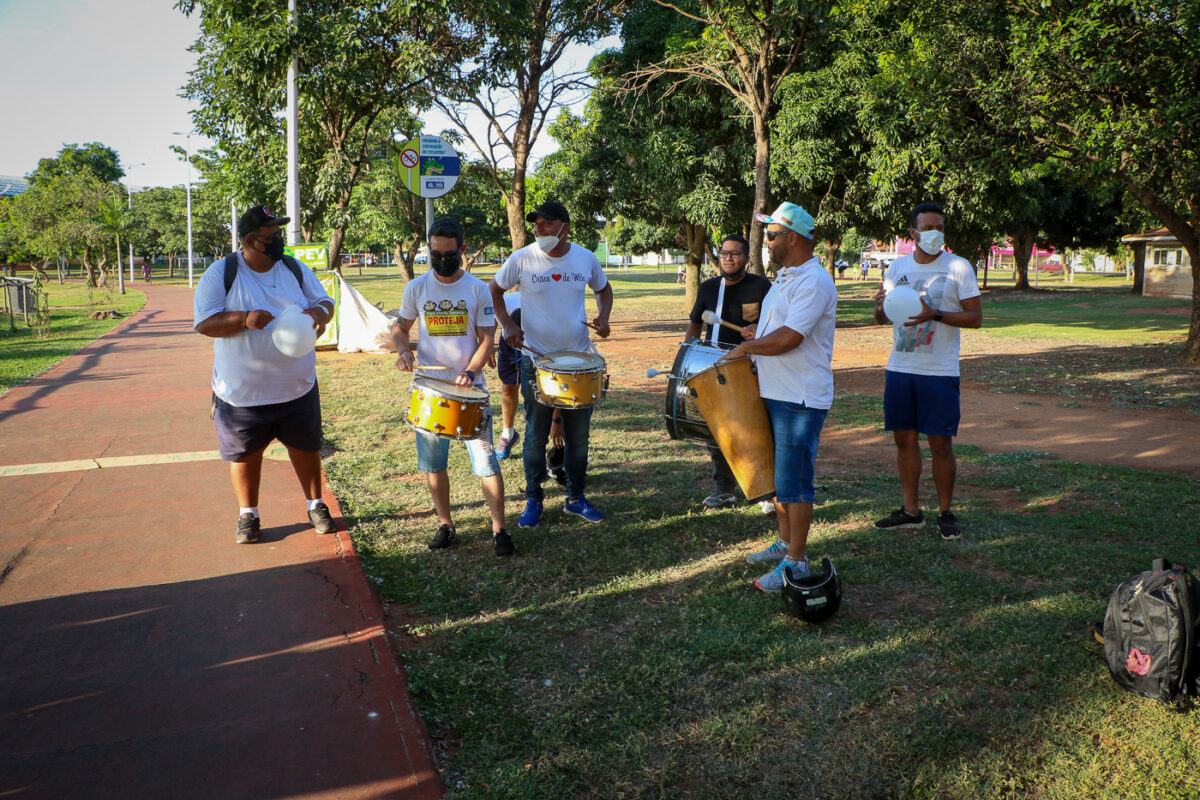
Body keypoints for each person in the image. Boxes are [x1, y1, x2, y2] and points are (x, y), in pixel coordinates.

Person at [193, 205, 337, 545]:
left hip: (297, 388)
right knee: (244, 455)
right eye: (271, 237)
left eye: (279, 236)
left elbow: (327, 302)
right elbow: (204, 323)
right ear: (248, 241)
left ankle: (316, 505)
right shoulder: (221, 273)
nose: (278, 243)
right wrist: (243, 319)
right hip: (242, 393)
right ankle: (248, 514)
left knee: (306, 448)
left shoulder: (293, 268)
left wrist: (318, 313)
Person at [722, 202, 837, 592]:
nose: (766, 242)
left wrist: (746, 350)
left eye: (771, 235)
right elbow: (779, 328)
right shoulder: (787, 278)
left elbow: (791, 338)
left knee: (795, 482)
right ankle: (785, 542)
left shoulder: (814, 281)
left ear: (793, 238)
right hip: (777, 393)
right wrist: (758, 333)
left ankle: (797, 563)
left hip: (800, 398)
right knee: (780, 479)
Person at [392, 217, 513, 556]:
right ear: (429, 250)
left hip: (472, 391)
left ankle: (499, 529)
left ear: (462, 250)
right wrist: (404, 350)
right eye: (435, 254)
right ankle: (445, 523)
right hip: (430, 391)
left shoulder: (476, 289)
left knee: (487, 463)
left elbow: (488, 338)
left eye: (448, 254)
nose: (442, 260)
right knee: (434, 463)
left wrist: (471, 371)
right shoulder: (416, 288)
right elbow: (400, 328)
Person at [489, 201, 613, 528]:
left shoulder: (585, 257)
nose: (538, 229)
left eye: (545, 224)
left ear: (564, 227)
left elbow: (604, 289)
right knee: (535, 436)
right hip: (537, 361)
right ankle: (533, 499)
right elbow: (495, 291)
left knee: (579, 438)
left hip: (579, 362)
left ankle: (576, 498)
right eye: (536, 224)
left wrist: (603, 317)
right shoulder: (522, 258)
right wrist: (509, 326)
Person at [871, 201, 983, 540]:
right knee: (904, 440)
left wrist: (934, 314)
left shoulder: (959, 267)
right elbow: (882, 317)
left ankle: (945, 512)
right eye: (928, 227)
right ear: (913, 233)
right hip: (901, 367)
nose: (935, 233)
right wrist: (878, 307)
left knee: (940, 444)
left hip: (939, 369)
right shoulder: (897, 268)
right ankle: (911, 511)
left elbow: (975, 318)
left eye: (940, 227)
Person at [684, 233, 772, 510]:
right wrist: (686, 357)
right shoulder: (710, 288)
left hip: (751, 364)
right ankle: (725, 489)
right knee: (718, 429)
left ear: (747, 258)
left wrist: (760, 331)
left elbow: (776, 323)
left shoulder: (761, 286)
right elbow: (696, 324)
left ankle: (766, 490)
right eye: (724, 253)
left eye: (735, 254)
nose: (728, 258)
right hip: (714, 365)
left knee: (755, 425)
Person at [494, 288, 522, 460]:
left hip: (538, 343)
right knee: (509, 388)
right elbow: (491, 320)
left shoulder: (545, 298)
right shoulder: (508, 299)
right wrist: (489, 346)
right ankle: (508, 435)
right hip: (509, 345)